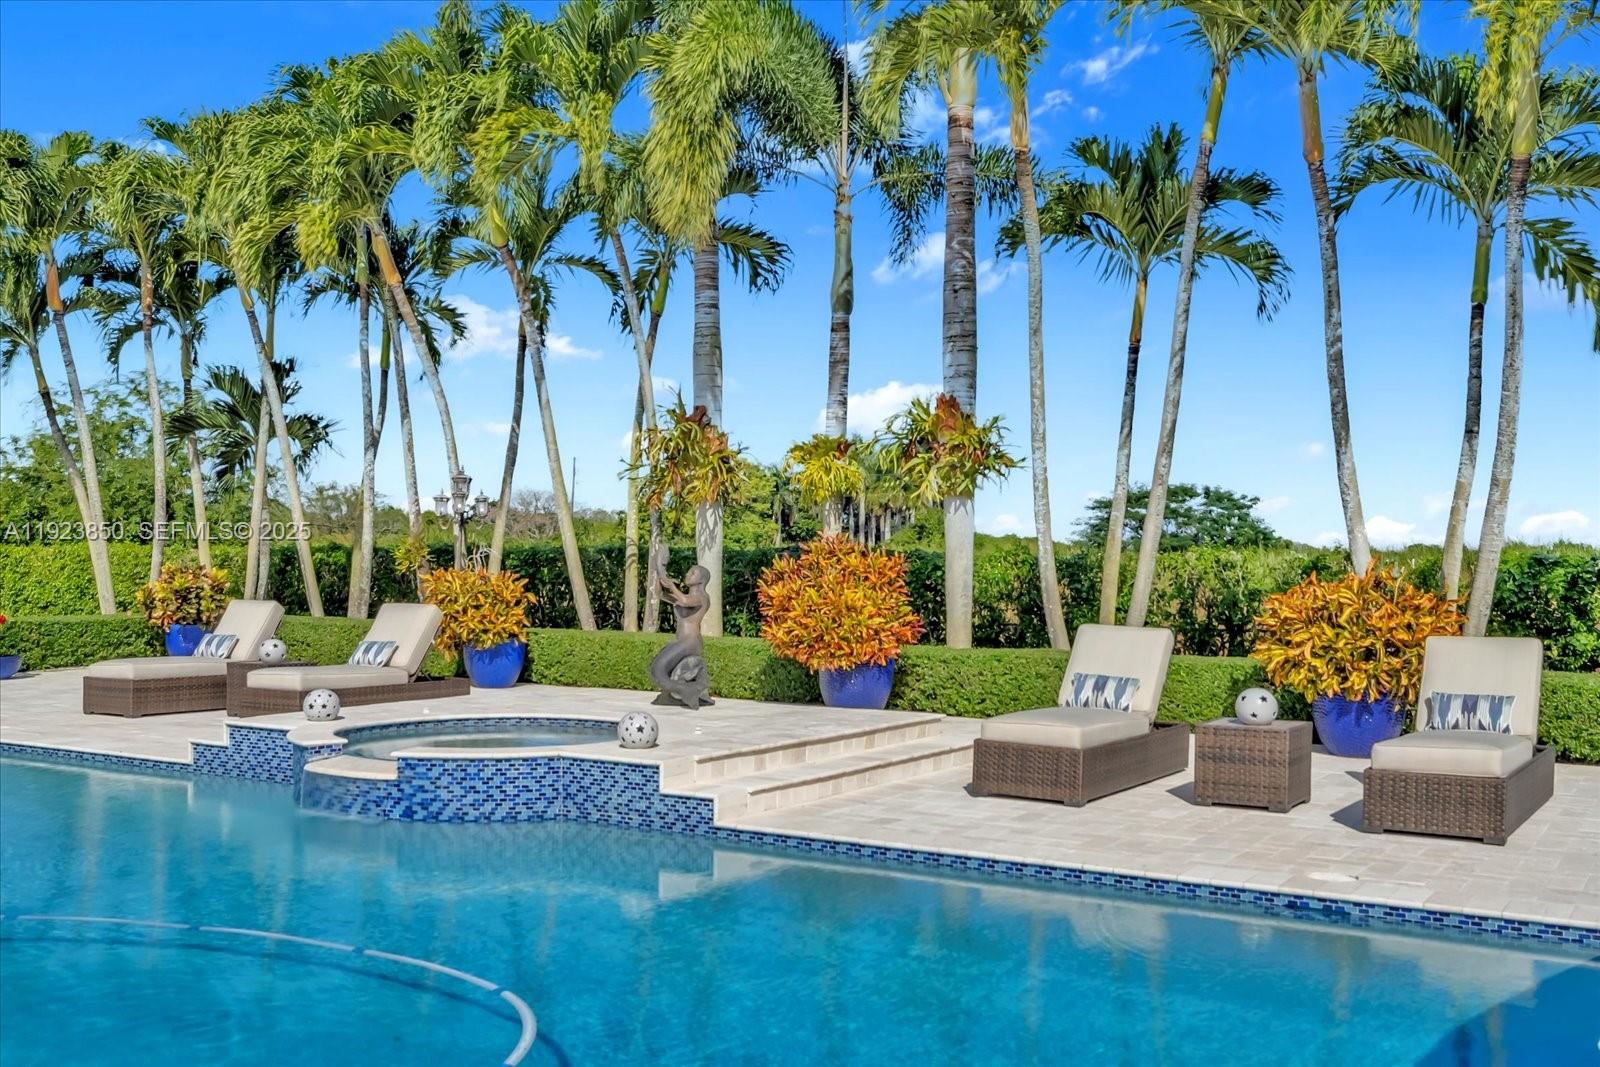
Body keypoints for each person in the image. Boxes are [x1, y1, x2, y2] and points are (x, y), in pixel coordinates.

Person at [649, 565, 712, 709]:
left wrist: (671, 586)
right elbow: (660, 595)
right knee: (656, 670)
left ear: (702, 579)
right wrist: (660, 578)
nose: (688, 574)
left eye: (693, 573)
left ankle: (686, 691)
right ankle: (686, 691)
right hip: (682, 641)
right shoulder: (686, 596)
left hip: (691, 642)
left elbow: (684, 601)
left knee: (658, 669)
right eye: (688, 571)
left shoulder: (702, 597)